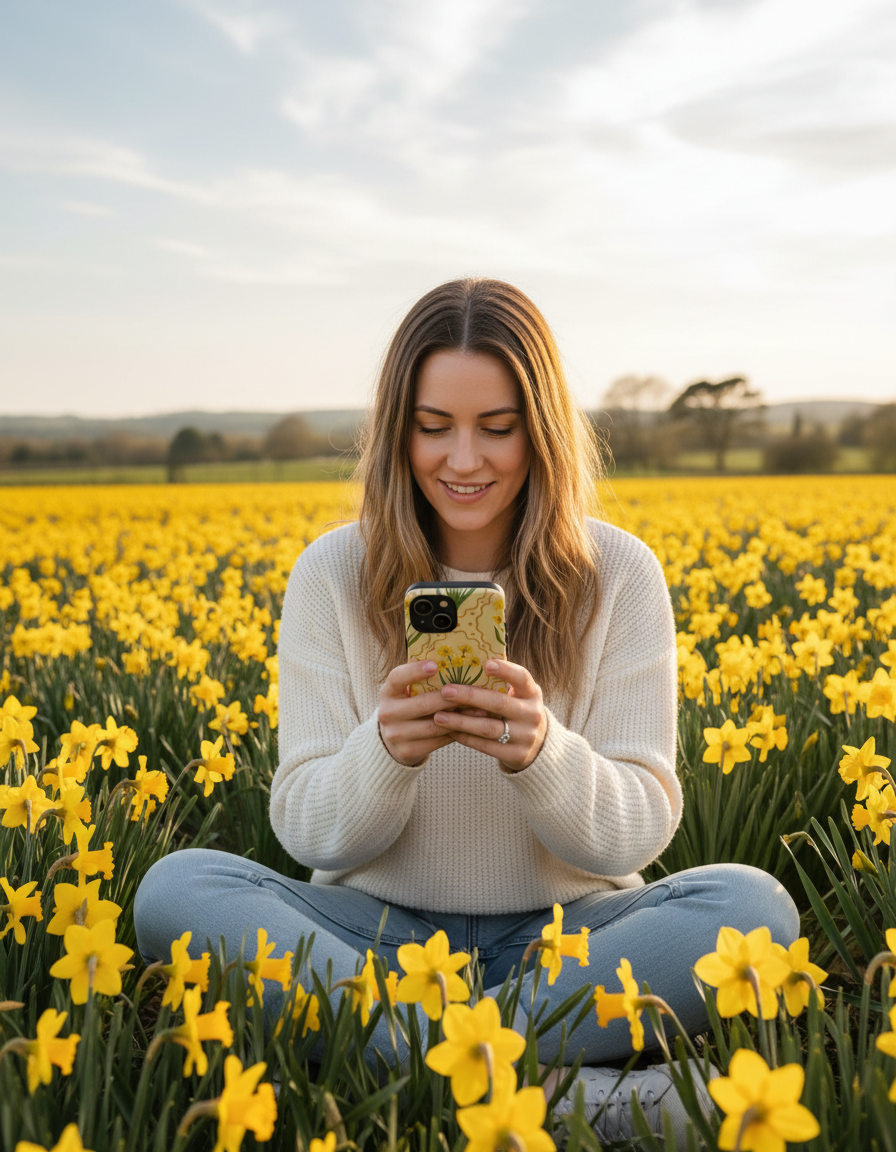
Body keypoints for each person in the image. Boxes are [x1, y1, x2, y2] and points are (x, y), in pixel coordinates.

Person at [134, 277, 798, 1140]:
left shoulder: (621, 574)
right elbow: (305, 832)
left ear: (541, 430)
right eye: (433, 425)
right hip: (374, 942)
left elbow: (637, 834)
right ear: (397, 430)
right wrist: (383, 754)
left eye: (497, 426)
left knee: (756, 908)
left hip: (568, 945)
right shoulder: (331, 573)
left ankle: (411, 1058)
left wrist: (543, 756)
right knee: (175, 889)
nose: (463, 459)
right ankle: (581, 1097)